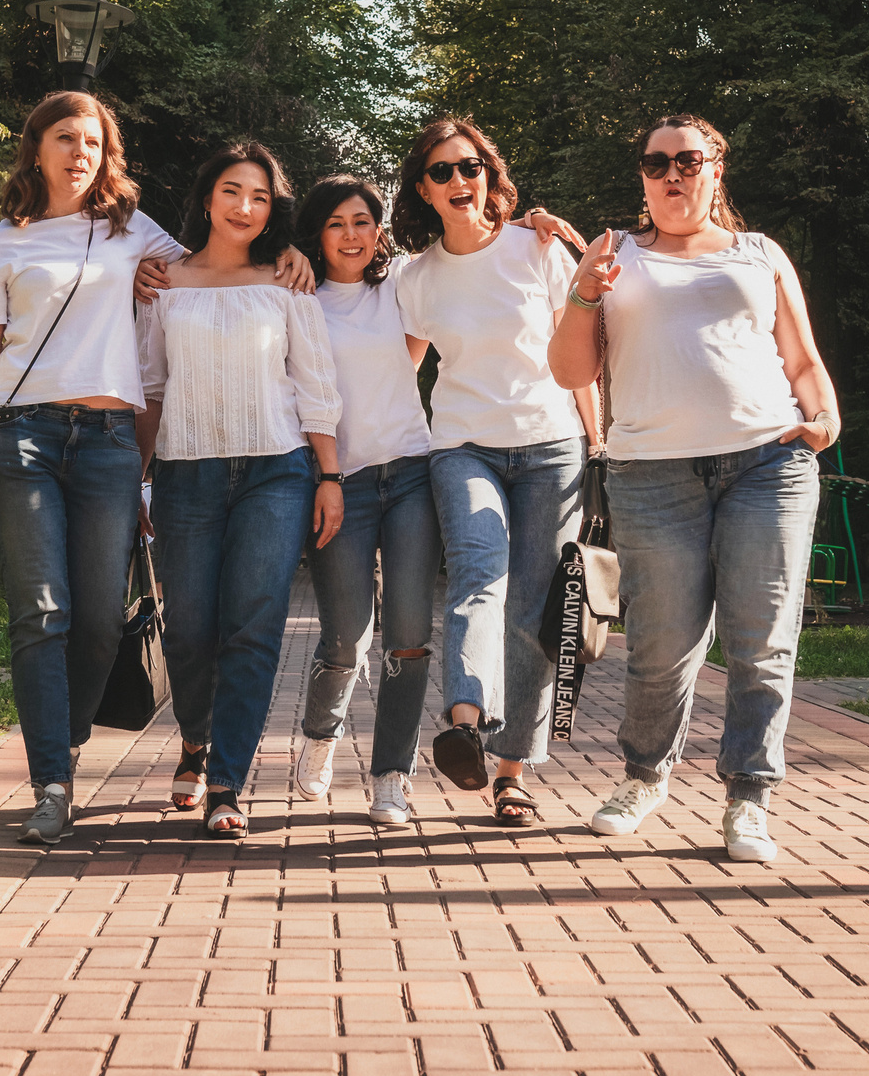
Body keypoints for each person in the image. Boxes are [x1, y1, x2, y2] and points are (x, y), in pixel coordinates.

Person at [0, 91, 304, 847]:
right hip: (18, 438)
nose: (81, 153)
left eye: (95, 143)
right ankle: (52, 781)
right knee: (42, 610)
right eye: (66, 138)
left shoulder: (131, 229)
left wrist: (287, 255)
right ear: (35, 148)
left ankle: (67, 737)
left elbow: (216, 262)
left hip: (108, 439)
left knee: (103, 618)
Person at [547, 113, 838, 864]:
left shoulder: (759, 253)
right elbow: (572, 373)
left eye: (687, 159)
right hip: (651, 474)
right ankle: (644, 776)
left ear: (716, 169)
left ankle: (749, 796)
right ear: (642, 177)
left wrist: (824, 415)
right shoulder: (614, 255)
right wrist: (582, 295)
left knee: (762, 640)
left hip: (765, 466)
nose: (671, 173)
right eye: (655, 162)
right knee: (662, 646)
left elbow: (800, 357)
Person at [392, 117, 597, 826]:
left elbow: (580, 352)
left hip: (551, 445)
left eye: (470, 166)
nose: (459, 181)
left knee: (534, 604)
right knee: (480, 573)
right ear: (423, 187)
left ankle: (512, 770)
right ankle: (466, 723)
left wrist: (596, 442)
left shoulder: (536, 249)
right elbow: (397, 370)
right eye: (442, 171)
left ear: (489, 174)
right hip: (462, 447)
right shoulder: (415, 278)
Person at [139, 141, 345, 838]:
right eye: (233, 191)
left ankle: (227, 779)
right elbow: (150, 387)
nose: (245, 207)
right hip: (184, 472)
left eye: (259, 197)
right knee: (190, 627)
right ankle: (195, 737)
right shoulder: (162, 279)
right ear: (207, 197)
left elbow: (315, 387)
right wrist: (137, 483)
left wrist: (330, 476)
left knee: (253, 629)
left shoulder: (287, 281)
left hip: (276, 471)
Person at [290, 176, 438, 827]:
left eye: (363, 221)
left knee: (408, 637)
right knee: (347, 637)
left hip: (410, 474)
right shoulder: (298, 298)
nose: (352, 234)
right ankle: (321, 737)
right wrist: (326, 474)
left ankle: (390, 778)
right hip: (339, 481)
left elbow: (418, 345)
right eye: (336, 223)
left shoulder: (401, 284)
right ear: (316, 233)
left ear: (379, 229)